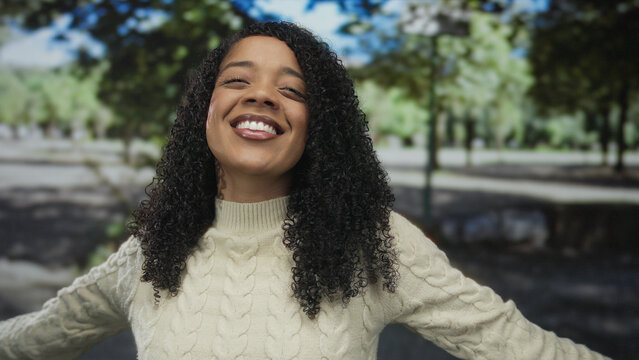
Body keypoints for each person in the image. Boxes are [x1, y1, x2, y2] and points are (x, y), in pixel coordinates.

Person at [0, 21, 609, 360]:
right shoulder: (150, 251)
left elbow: (523, 349)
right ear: (202, 112)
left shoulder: (372, 245)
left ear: (322, 126)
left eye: (292, 90)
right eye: (237, 80)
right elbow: (30, 340)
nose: (261, 95)